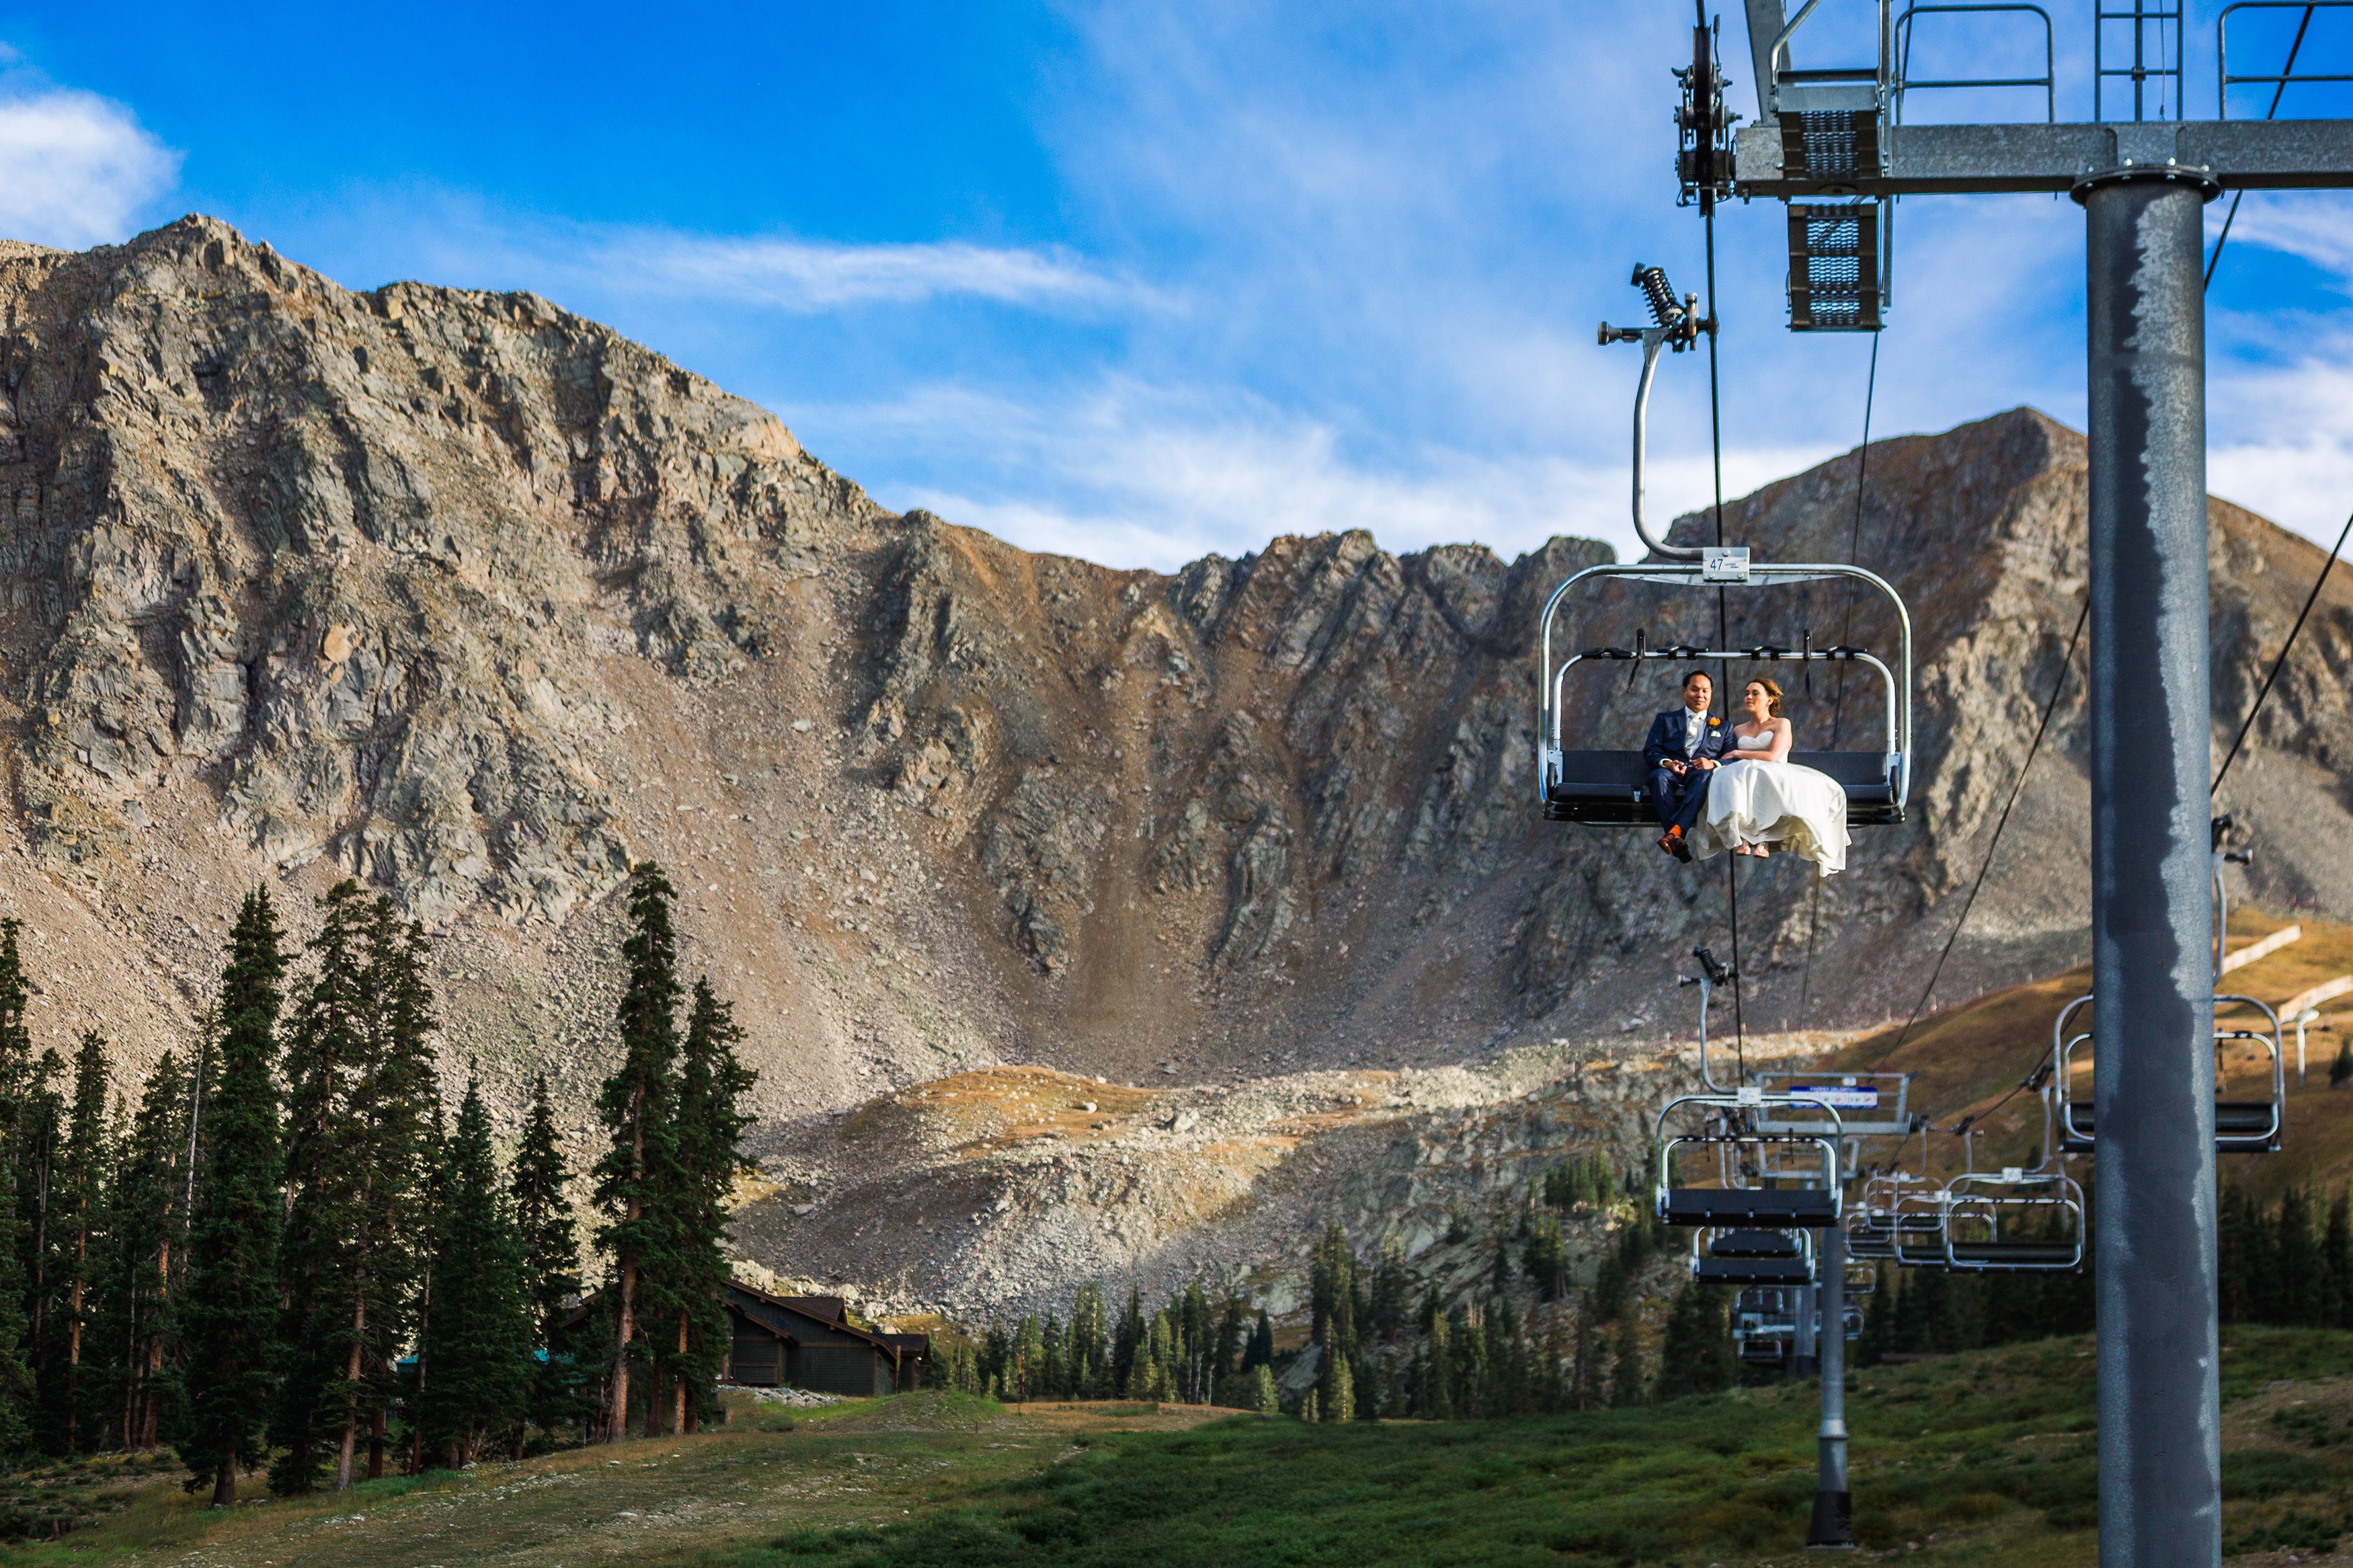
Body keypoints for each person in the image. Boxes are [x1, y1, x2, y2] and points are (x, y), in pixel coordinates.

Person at [1691, 677, 1851, 874]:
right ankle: (1747, 835)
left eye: (1755, 693)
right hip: (1745, 776)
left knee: (1759, 774)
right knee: (1734, 776)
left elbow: (1773, 755)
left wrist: (1739, 753)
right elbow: (1726, 756)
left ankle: (1761, 839)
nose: (1748, 697)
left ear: (1769, 700)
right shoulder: (1738, 730)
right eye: (1747, 693)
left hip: (1773, 770)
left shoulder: (1781, 724)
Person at [1641, 669, 1726, 862]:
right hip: (1671, 773)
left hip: (1699, 774)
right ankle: (1676, 835)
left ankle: (1673, 835)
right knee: (1658, 777)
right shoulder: (1665, 720)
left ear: (1711, 693)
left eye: (1705, 691)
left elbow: (1732, 758)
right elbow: (1651, 750)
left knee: (1705, 776)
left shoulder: (1723, 727)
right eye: (1695, 690)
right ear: (1684, 691)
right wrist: (1668, 763)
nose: (1700, 695)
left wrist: (1712, 763)